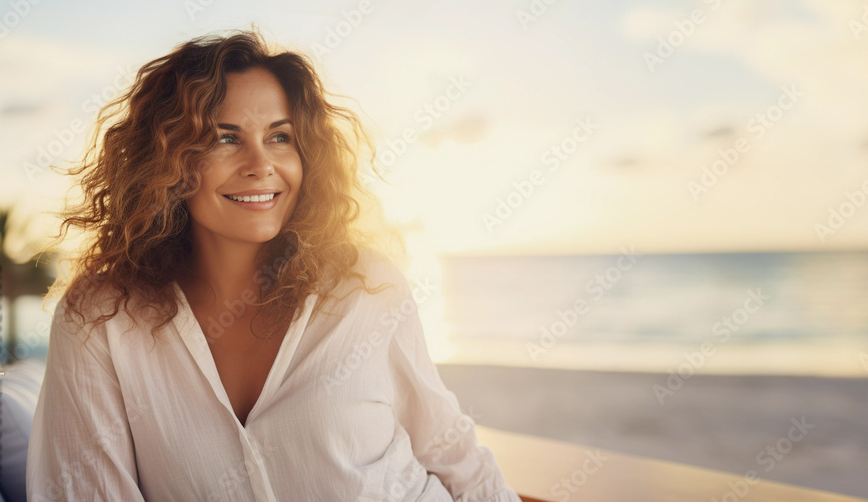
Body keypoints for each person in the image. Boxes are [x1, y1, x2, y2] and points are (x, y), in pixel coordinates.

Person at [26, 28, 522, 502]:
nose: (260, 164)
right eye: (225, 137)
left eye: (280, 137)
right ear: (167, 161)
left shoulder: (366, 287)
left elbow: (453, 454)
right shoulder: (99, 319)